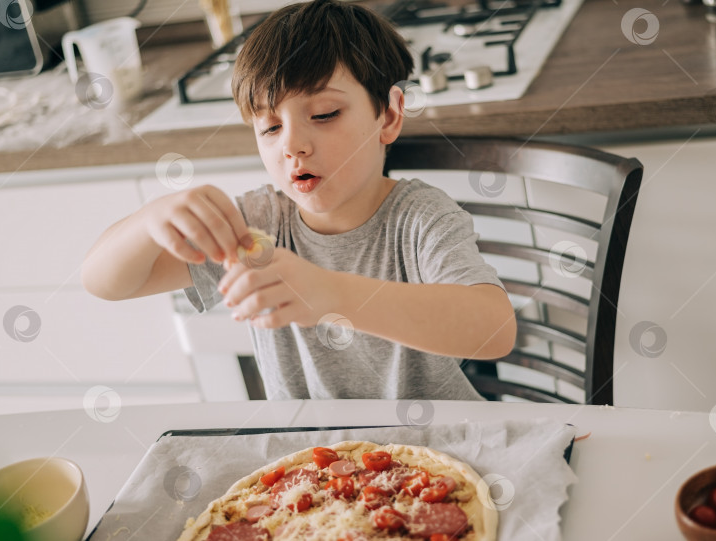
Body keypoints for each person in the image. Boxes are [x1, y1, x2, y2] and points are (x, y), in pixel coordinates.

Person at [81, 0, 516, 400]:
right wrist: (149, 219)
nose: (293, 146)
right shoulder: (256, 225)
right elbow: (106, 283)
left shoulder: (421, 218)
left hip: (435, 457)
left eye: (324, 115)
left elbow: (494, 330)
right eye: (270, 128)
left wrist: (331, 294)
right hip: (311, 468)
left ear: (388, 115)